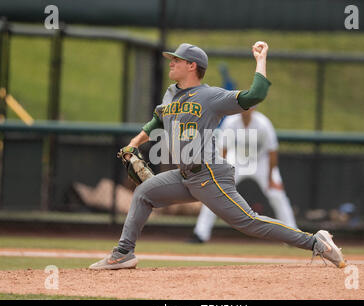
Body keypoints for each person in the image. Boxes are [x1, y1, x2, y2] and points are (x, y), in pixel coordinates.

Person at [89, 42, 346, 270]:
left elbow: (255, 95)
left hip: (210, 175)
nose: (172, 62)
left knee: (249, 222)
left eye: (176, 60)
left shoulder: (211, 96)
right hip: (186, 176)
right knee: (144, 194)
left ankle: (316, 242)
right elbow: (158, 119)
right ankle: (123, 253)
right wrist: (135, 142)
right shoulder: (170, 94)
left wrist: (260, 60)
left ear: (192, 66)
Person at [191, 108, 297, 243]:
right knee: (215, 191)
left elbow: (272, 153)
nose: (246, 109)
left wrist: (271, 179)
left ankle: (294, 235)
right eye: (244, 105)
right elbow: (223, 150)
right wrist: (219, 175)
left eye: (250, 105)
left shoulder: (263, 123)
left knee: (277, 194)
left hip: (260, 162)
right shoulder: (230, 122)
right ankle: (200, 234)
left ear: (254, 108)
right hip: (237, 160)